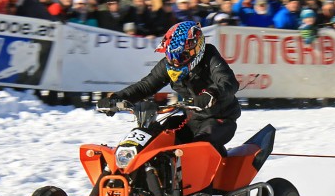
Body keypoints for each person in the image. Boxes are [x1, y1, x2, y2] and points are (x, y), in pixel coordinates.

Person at [97, 21, 240, 156]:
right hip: (192, 120)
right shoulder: (168, 65)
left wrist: (211, 93)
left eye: (180, 56)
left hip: (220, 119)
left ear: (196, 48)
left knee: (196, 149)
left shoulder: (210, 56)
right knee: (156, 137)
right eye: (170, 56)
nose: (174, 61)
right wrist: (116, 98)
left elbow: (228, 81)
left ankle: (207, 180)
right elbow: (145, 86)